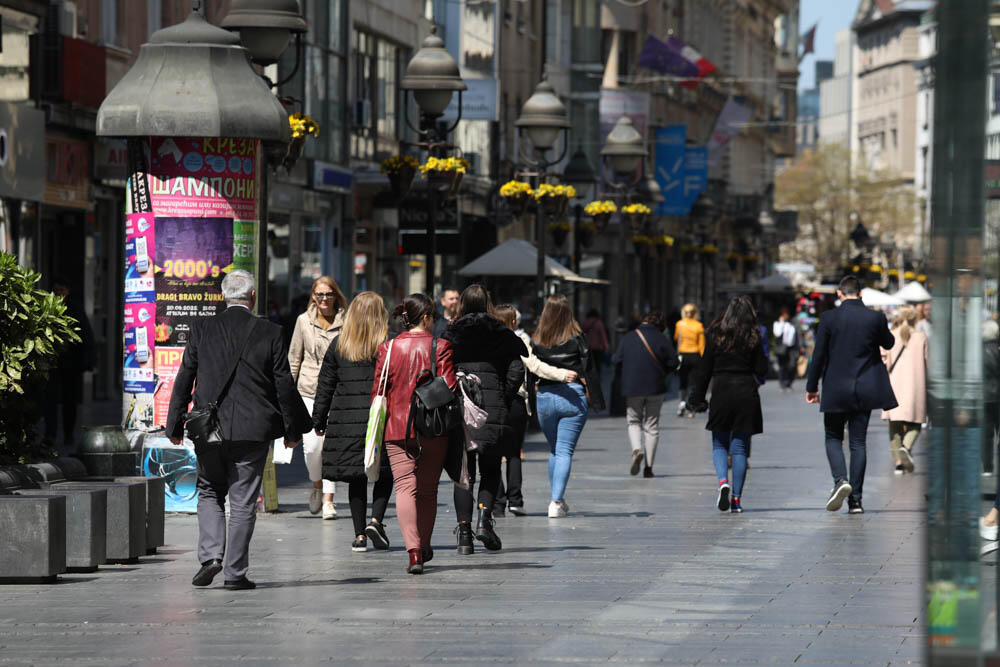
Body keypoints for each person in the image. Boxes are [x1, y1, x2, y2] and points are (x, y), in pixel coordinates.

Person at [166, 270, 308, 590]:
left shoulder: (202, 328)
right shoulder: (270, 332)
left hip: (208, 429)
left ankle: (211, 557)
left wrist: (174, 423)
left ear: (223, 296)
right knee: (243, 501)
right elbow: (283, 384)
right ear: (253, 296)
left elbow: (184, 377)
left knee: (208, 490)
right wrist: (292, 429)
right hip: (253, 430)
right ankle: (235, 573)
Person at [373, 293, 457, 574]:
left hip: (397, 427)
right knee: (428, 490)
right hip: (433, 426)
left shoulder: (388, 348)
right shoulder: (441, 346)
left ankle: (413, 553)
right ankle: (424, 544)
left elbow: (379, 391)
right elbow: (450, 388)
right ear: (426, 317)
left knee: (405, 488)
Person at [442, 285, 526, 553]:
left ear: (462, 304)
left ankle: (464, 533)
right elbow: (516, 369)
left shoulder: (452, 332)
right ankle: (484, 518)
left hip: (462, 409)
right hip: (493, 409)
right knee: (491, 468)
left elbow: (441, 367)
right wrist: (503, 396)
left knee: (463, 474)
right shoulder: (501, 333)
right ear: (489, 303)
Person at [806, 275, 897, 515]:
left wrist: (811, 387)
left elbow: (818, 356)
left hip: (836, 388)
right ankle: (855, 500)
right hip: (865, 388)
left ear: (839, 294)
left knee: (833, 437)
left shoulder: (829, 318)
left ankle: (840, 480)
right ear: (861, 294)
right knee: (858, 443)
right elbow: (888, 343)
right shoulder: (875, 317)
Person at [312, 291, 394, 553]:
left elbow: (325, 386)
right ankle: (376, 520)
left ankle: (359, 535)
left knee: (355, 477)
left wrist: (319, 419)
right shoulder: (388, 345)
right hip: (381, 419)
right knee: (385, 472)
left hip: (346, 419)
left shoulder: (339, 344)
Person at [492, 304, 575, 516]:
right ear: (512, 322)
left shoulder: (487, 342)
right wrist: (561, 374)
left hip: (492, 402)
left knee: (493, 454)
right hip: (516, 402)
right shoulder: (519, 341)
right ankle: (515, 500)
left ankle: (498, 502)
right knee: (513, 452)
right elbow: (535, 365)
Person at [687, 296, 767, 514]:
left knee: (719, 444)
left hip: (721, 391)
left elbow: (703, 371)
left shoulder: (715, 335)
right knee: (740, 447)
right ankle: (737, 500)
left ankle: (723, 481)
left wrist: (697, 399)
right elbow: (762, 369)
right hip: (745, 391)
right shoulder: (754, 336)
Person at [532, 295, 601, 518]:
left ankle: (557, 498)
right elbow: (589, 367)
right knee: (564, 451)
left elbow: (530, 367)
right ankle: (556, 500)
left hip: (544, 396)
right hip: (572, 396)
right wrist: (597, 400)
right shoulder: (577, 337)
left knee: (554, 449)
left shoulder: (537, 338)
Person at [285, 276, 346, 519]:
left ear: (335, 295)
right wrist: (287, 395)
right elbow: (294, 358)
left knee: (330, 446)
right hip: (308, 390)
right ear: (313, 296)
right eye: (319, 294)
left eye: (328, 294)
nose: (323, 299)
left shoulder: (346, 321)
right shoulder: (303, 321)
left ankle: (329, 500)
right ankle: (317, 485)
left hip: (336, 391)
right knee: (312, 448)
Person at [612, 311, 678, 478]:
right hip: (656, 387)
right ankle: (648, 467)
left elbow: (616, 360)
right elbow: (674, 362)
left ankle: (636, 450)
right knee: (652, 426)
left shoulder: (628, 337)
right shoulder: (662, 338)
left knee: (633, 421)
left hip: (632, 387)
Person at [43, 276, 94, 450]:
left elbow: (86, 336)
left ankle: (68, 434)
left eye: (62, 291)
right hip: (52, 363)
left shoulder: (75, 309)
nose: (59, 294)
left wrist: (86, 361)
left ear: (68, 291)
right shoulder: (47, 308)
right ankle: (50, 434)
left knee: (69, 401)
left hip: (71, 364)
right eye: (56, 291)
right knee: (50, 400)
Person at [881, 306, 928, 475]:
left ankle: (899, 463)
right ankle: (906, 447)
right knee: (916, 422)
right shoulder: (921, 337)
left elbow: (883, 360)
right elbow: (927, 360)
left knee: (894, 423)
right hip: (916, 385)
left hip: (894, 385)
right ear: (916, 319)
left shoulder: (891, 335)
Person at [674, 303, 705, 417]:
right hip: (695, 355)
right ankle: (690, 406)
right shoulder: (698, 326)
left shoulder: (679, 324)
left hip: (682, 355)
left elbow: (676, 338)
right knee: (693, 382)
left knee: (683, 380)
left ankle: (682, 402)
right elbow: (701, 345)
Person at [772, 307, 799, 392]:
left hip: (792, 348)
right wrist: (782, 323)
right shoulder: (777, 324)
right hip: (782, 348)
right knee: (782, 366)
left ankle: (789, 382)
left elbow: (796, 336)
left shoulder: (792, 324)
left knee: (792, 365)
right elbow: (777, 333)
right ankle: (782, 383)